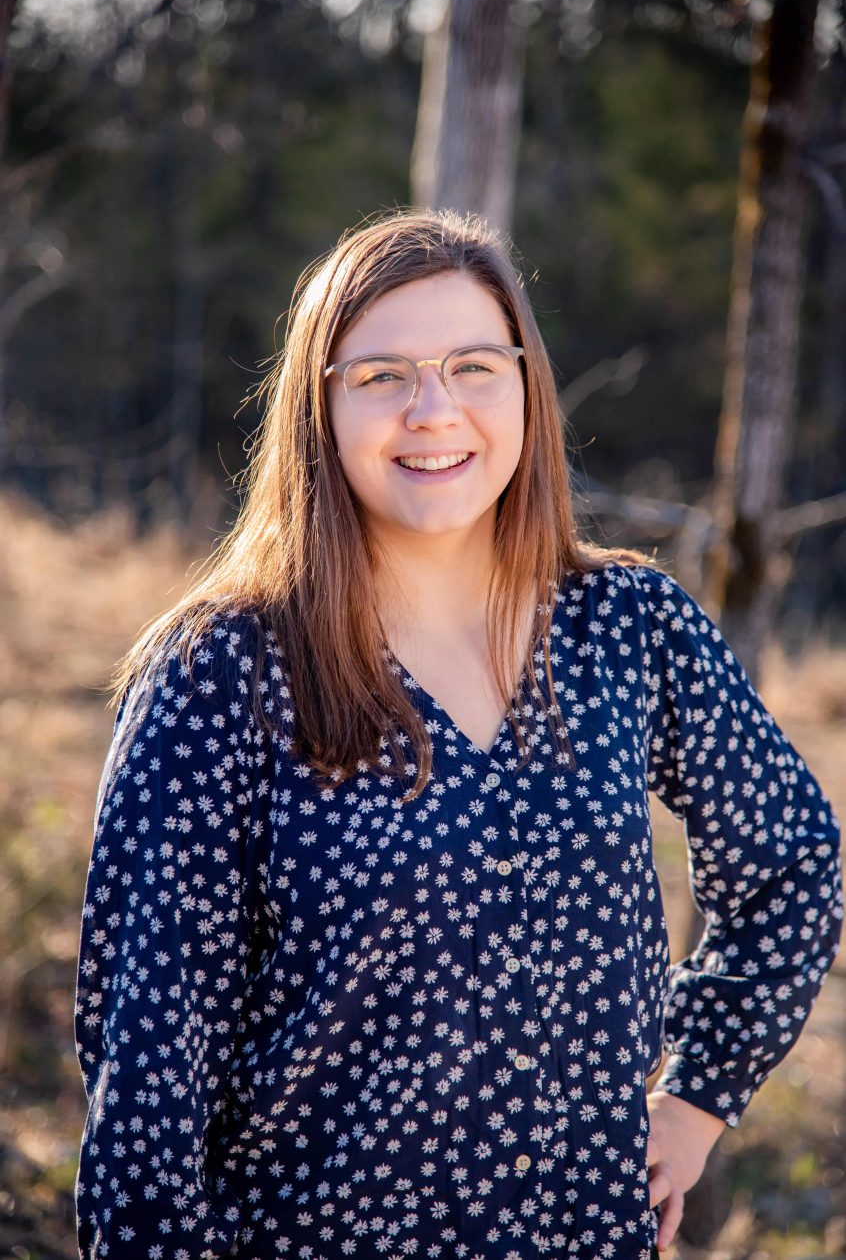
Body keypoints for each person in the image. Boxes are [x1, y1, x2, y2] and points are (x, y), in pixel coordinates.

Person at [74, 207, 843, 1260]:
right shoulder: (221, 668)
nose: (435, 411)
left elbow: (793, 861)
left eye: (475, 366)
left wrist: (699, 1098)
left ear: (525, 385)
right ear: (320, 407)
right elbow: (147, 1072)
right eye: (383, 376)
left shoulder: (629, 625)